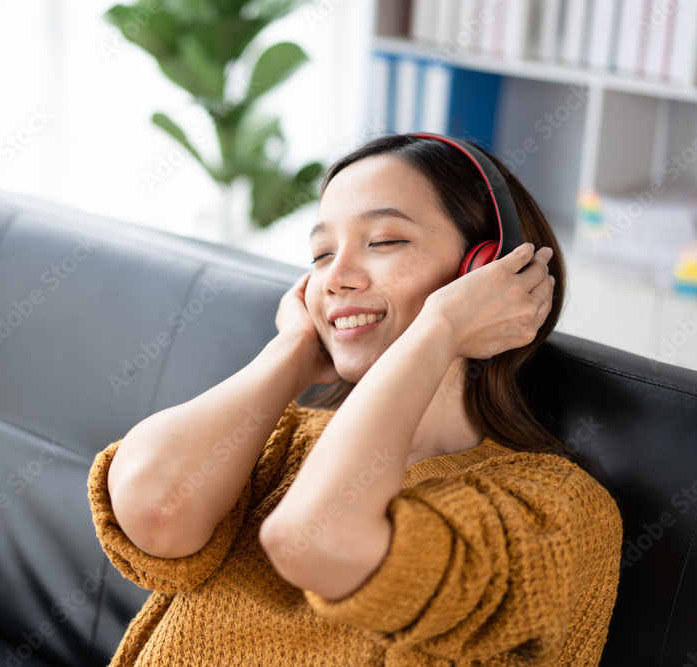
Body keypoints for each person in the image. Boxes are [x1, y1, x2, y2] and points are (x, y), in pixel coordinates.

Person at [88, 133, 623, 666]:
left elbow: (317, 538)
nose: (335, 279)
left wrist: (443, 326)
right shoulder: (283, 441)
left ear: (483, 270)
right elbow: (154, 509)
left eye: (384, 241)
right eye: (321, 254)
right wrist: (294, 349)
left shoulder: (553, 510)